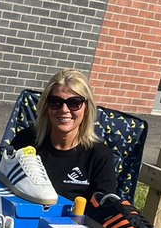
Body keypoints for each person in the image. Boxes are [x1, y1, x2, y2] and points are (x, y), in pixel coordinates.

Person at [9, 70, 118, 201]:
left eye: (74, 103)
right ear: (46, 107)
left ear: (87, 108)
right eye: (55, 102)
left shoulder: (99, 155)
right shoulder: (25, 141)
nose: (64, 109)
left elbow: (104, 211)